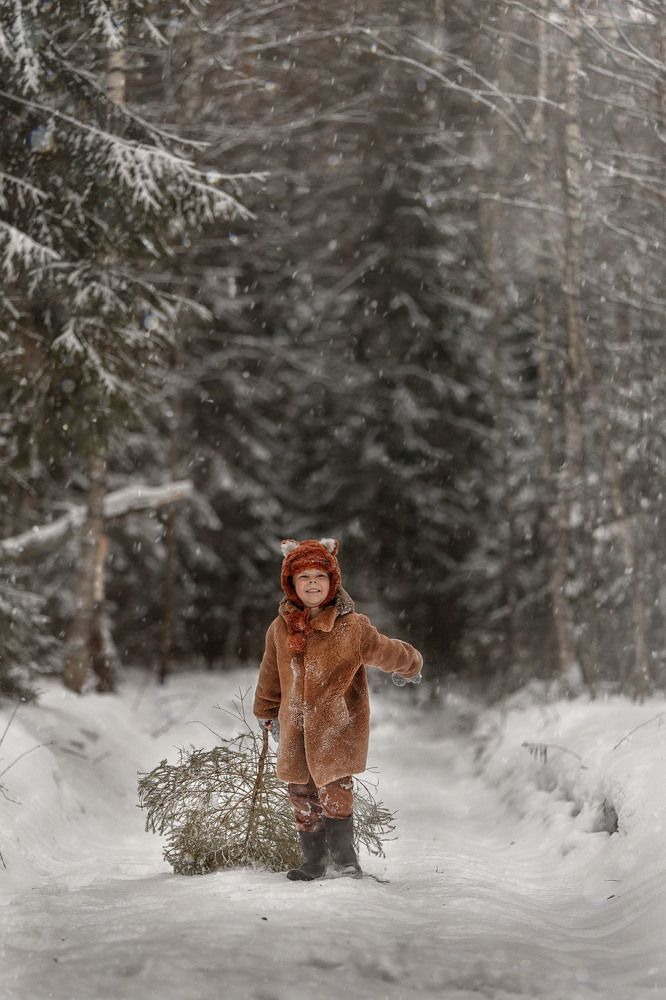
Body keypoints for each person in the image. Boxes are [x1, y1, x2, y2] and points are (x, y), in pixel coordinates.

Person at [253, 537, 423, 881]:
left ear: (332, 581)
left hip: (336, 727)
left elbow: (384, 650)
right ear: (291, 583)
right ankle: (314, 862)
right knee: (300, 795)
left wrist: (411, 664)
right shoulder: (280, 628)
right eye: (304, 577)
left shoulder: (352, 626)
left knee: (335, 793)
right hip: (295, 726)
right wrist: (266, 709)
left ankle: (345, 861)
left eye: (320, 576)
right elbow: (270, 672)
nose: (312, 583)